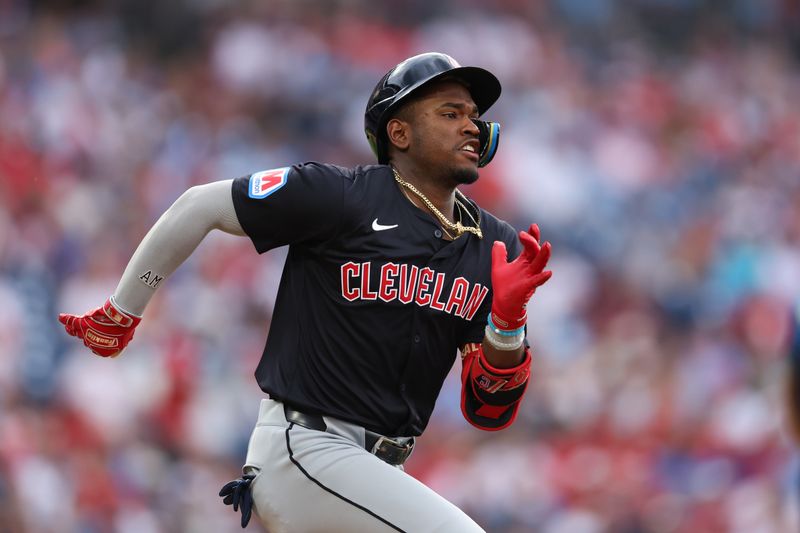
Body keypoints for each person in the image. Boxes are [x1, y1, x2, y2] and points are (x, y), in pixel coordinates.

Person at [58, 52, 553, 532]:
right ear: (398, 132)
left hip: (379, 470)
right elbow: (199, 205)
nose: (472, 126)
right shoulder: (340, 195)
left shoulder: (494, 244)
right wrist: (124, 308)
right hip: (307, 448)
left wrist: (507, 326)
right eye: (451, 113)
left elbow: (489, 410)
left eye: (474, 115)